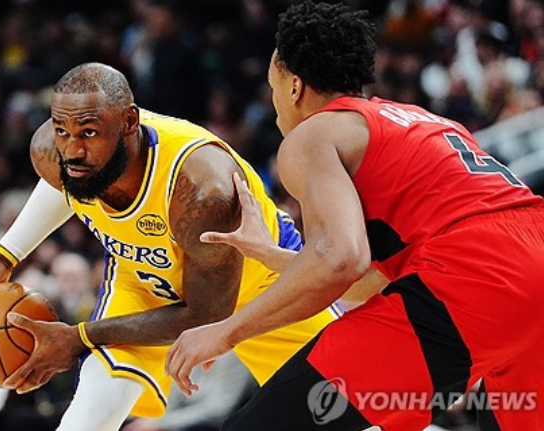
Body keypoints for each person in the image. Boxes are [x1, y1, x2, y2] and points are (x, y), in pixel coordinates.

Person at [165, 3, 544, 431]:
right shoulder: (426, 121)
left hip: (475, 275)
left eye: (273, 87)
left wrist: (226, 331)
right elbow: (372, 282)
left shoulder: (313, 135)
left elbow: (341, 258)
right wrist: (274, 256)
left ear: (293, 86)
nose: (274, 103)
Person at [0, 62, 371, 431]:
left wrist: (79, 337)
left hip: (261, 286)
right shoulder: (59, 151)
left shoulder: (202, 189)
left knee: (353, 416)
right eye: (63, 131)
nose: (73, 149)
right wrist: (2, 257)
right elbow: (64, 181)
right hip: (144, 282)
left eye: (89, 132)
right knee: (88, 415)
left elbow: (207, 314)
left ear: (129, 123)